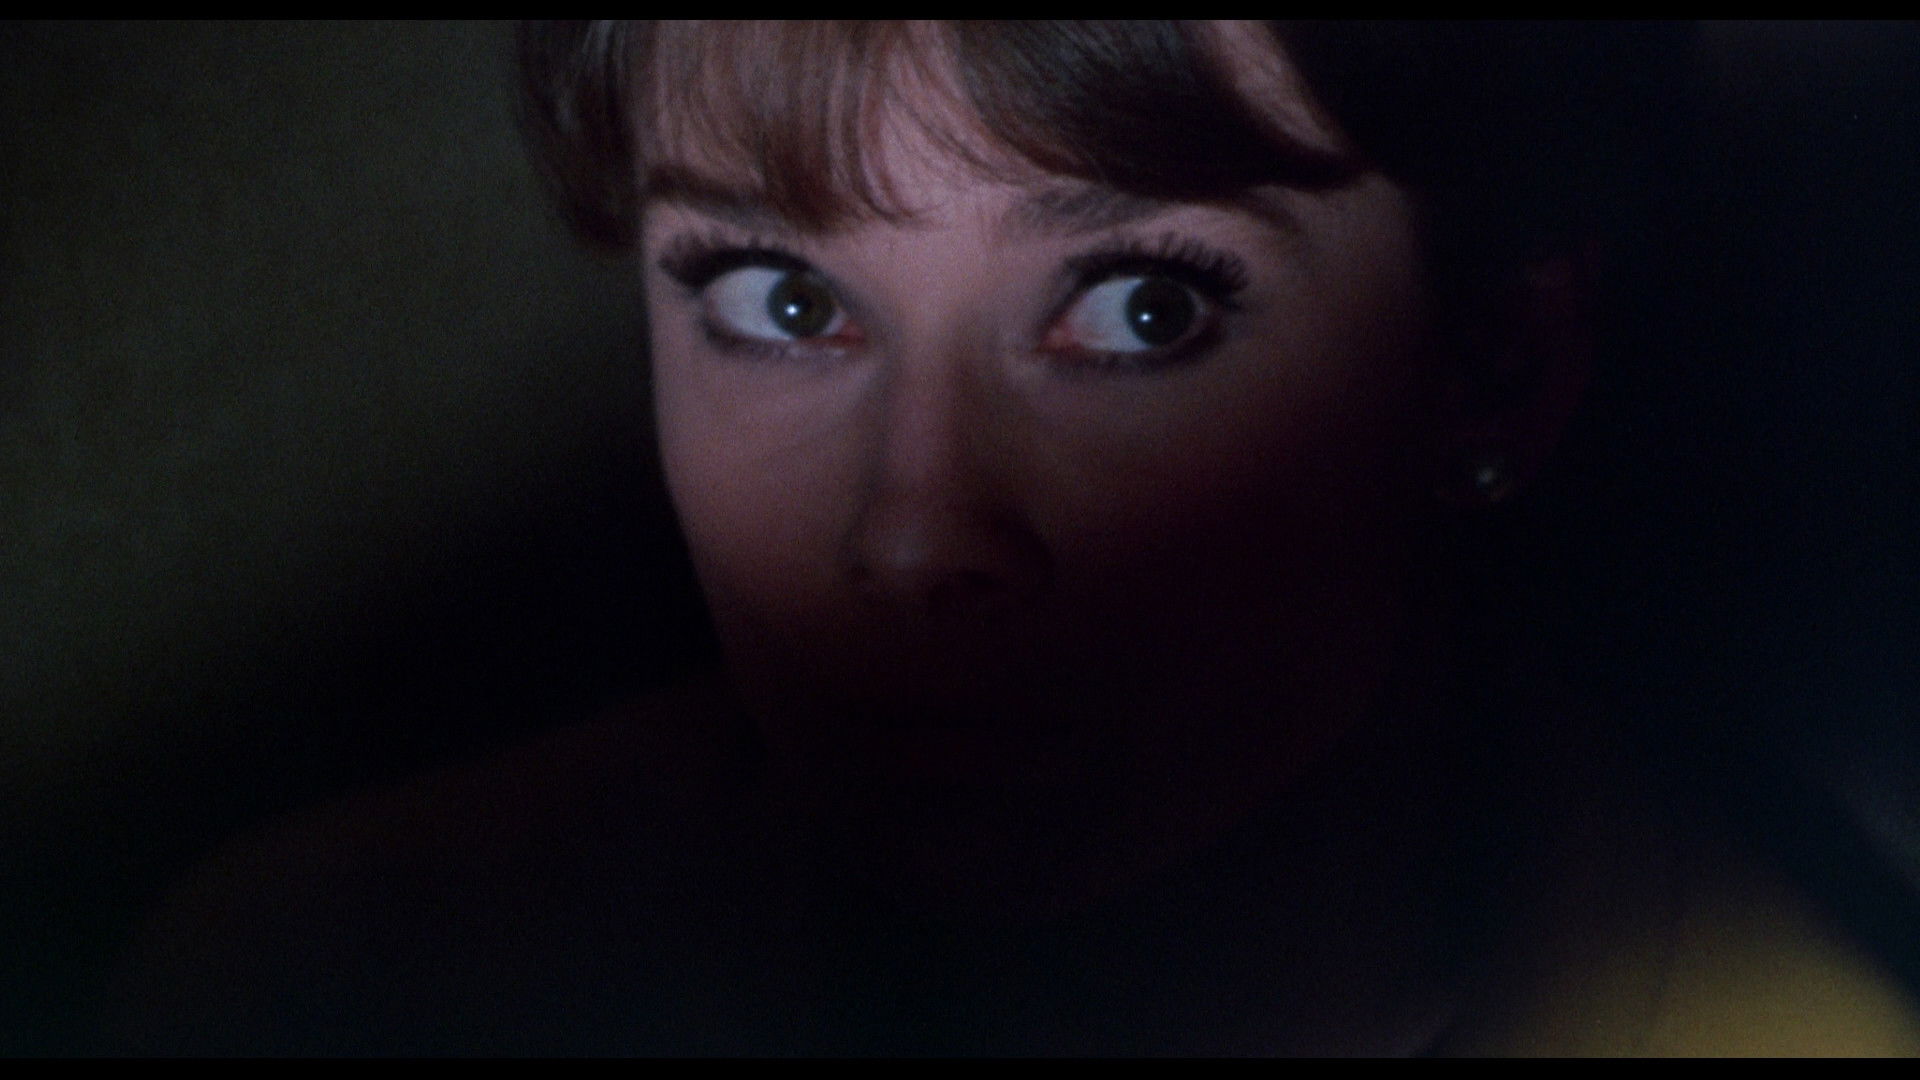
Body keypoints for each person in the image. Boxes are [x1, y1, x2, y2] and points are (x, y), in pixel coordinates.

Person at [105, 21, 1920, 1055]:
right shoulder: (319, 982)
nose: (915, 532)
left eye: (1143, 309)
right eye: (779, 300)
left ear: (1494, 367)